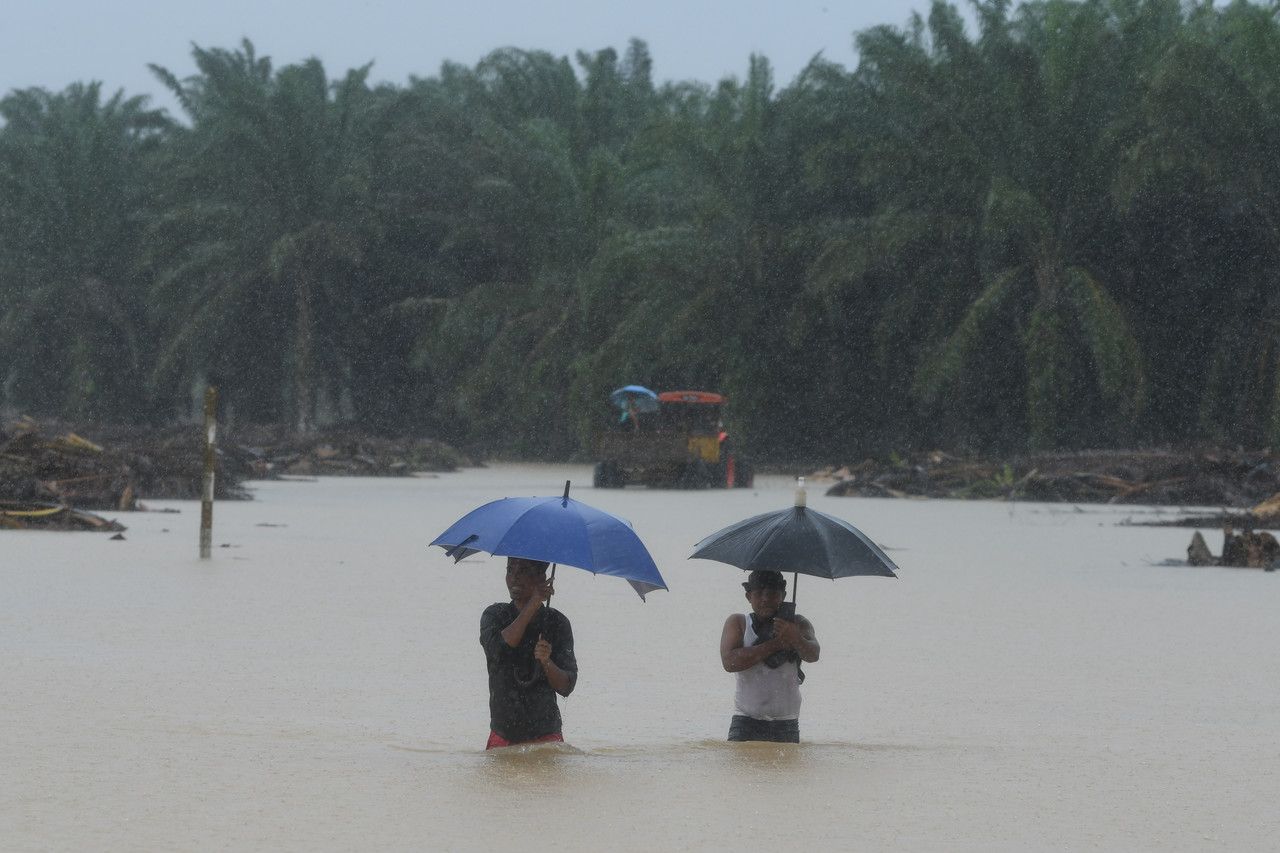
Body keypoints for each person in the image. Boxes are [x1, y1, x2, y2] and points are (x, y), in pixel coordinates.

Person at [479, 556, 578, 749]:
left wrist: (547, 662)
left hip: (546, 735)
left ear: (542, 578)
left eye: (523, 571)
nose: (514, 578)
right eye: (510, 570)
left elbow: (566, 686)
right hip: (503, 734)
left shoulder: (557, 623)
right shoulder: (494, 615)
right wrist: (534, 603)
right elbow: (500, 649)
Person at [719, 570, 820, 743]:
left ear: (784, 595)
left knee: (787, 771)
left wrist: (795, 637)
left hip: (786, 722)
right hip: (745, 721)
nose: (765, 599)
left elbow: (813, 654)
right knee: (739, 771)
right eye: (759, 593)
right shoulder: (739, 623)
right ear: (748, 596)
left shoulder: (798, 623)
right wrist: (777, 644)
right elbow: (730, 662)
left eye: (772, 593)